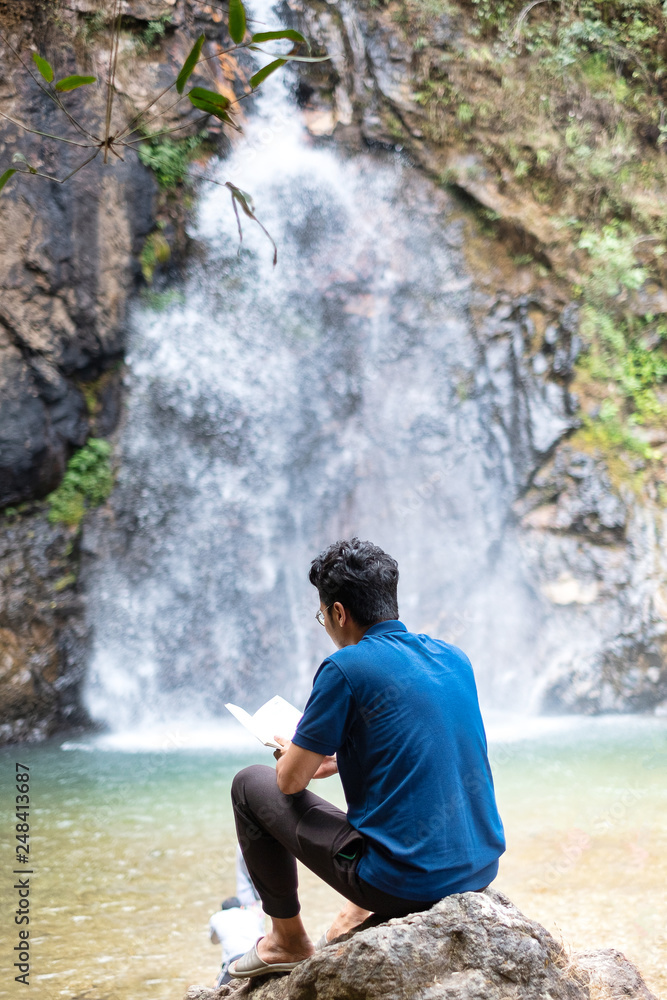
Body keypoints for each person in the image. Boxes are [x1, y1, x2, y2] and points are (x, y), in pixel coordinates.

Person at [229, 537, 506, 979]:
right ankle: (354, 912)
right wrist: (339, 756)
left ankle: (286, 939)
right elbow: (426, 748)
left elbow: (288, 783)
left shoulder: (345, 668)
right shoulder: (454, 657)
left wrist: (289, 754)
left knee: (249, 783)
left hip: (403, 885)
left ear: (339, 612)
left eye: (322, 615)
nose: (325, 625)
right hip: (479, 868)